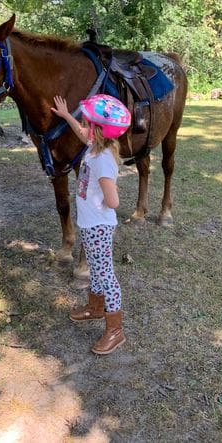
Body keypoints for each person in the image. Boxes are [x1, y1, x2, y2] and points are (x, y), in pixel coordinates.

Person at [51, 93, 131, 355]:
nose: (84, 125)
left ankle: (115, 331)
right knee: (96, 270)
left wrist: (105, 197)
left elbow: (114, 201)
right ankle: (95, 308)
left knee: (106, 275)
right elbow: (81, 132)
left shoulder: (103, 160)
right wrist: (65, 115)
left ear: (98, 130)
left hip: (99, 226)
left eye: (88, 123)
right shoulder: (94, 146)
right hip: (89, 223)